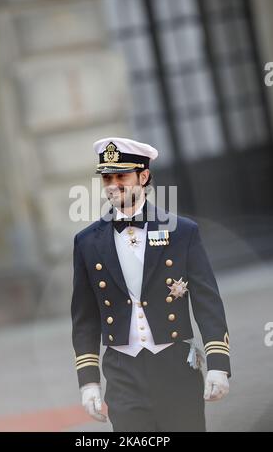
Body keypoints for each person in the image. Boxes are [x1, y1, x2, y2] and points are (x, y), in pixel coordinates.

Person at [71, 137, 230, 432]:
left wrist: (219, 365)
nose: (113, 184)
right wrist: (89, 382)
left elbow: (208, 303)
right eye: (108, 177)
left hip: (175, 367)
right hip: (122, 373)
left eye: (122, 176)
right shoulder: (86, 242)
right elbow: (85, 320)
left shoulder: (182, 231)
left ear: (143, 177)